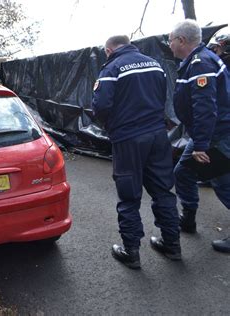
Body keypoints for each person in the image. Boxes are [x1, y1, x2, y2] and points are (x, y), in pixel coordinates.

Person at [92, 35, 181, 269]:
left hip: (128, 139)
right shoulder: (154, 64)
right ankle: (172, 245)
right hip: (157, 136)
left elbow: (100, 106)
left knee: (129, 195)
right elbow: (162, 97)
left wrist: (111, 126)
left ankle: (131, 252)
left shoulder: (112, 68)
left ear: (109, 50)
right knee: (163, 190)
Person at [169, 20, 230, 253]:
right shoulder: (196, 61)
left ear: (182, 40)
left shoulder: (201, 63)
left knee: (223, 184)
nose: (169, 44)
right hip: (207, 134)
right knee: (182, 172)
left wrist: (201, 145)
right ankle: (188, 219)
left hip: (216, 135)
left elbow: (205, 108)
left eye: (171, 39)